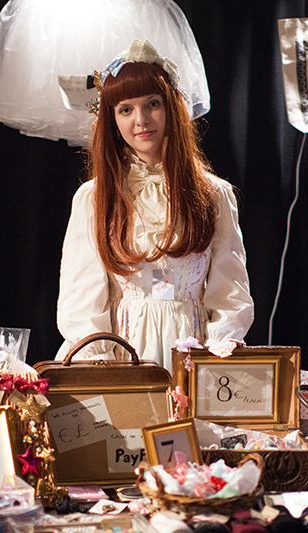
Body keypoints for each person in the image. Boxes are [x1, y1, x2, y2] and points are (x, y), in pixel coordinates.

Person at [55, 40, 254, 372]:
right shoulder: (94, 197)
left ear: (171, 107)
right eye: (126, 109)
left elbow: (230, 292)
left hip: (193, 353)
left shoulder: (213, 193)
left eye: (152, 104)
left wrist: (216, 357)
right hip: (124, 355)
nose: (141, 120)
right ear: (112, 120)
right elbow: (82, 302)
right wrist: (104, 370)